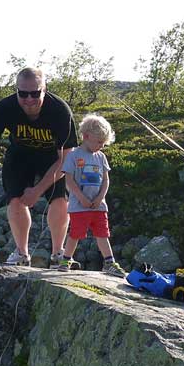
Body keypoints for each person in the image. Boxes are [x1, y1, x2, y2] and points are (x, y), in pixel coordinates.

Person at [0, 67, 78, 267]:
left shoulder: (60, 110)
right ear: (16, 90)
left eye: (35, 93)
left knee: (59, 200)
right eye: (23, 93)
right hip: (20, 155)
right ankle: (21, 254)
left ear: (45, 89)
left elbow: (66, 160)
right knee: (15, 201)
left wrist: (37, 191)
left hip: (53, 158)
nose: (29, 99)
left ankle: (58, 254)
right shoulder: (4, 108)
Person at [57, 114, 124, 276]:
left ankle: (109, 262)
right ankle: (66, 259)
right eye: (99, 142)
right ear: (86, 136)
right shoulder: (74, 155)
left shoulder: (101, 157)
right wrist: (81, 198)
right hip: (79, 206)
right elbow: (69, 180)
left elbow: (106, 180)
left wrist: (100, 197)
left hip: (99, 206)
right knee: (76, 233)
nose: (101, 146)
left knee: (103, 233)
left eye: (104, 143)